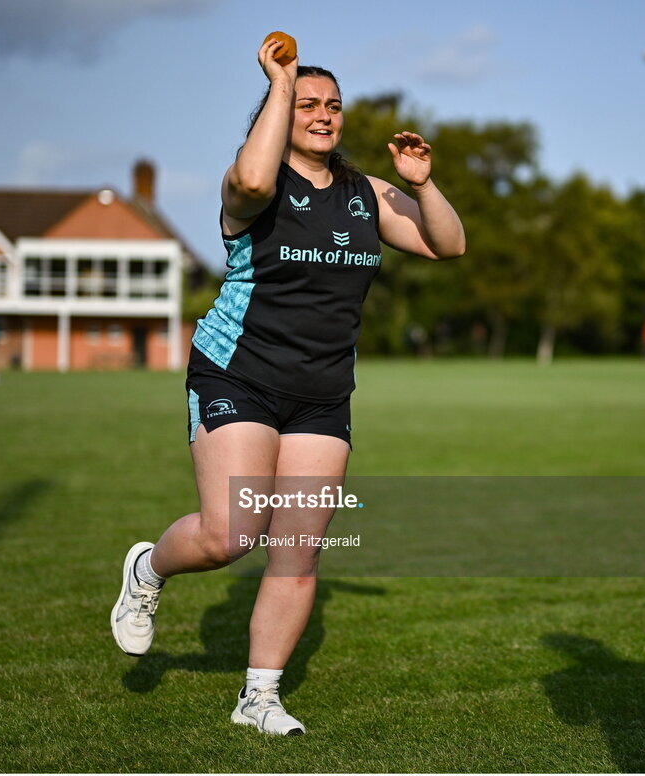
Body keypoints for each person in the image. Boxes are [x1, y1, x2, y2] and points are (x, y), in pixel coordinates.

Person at [111, 36, 465, 736]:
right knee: (230, 536)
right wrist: (279, 82)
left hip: (322, 395)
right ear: (281, 109)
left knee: (299, 549)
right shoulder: (256, 186)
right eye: (308, 104)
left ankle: (259, 698)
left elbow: (447, 245)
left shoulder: (367, 195)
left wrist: (422, 184)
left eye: (333, 106)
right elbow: (246, 183)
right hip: (238, 374)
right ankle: (149, 569)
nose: (324, 115)